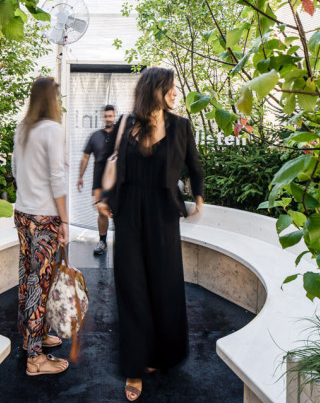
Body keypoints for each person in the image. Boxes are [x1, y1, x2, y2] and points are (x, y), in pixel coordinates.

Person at [94, 67, 204, 401]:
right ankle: (135, 365)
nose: (175, 93)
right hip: (128, 214)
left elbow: (195, 166)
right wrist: (102, 196)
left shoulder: (181, 126)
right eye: (170, 88)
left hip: (163, 216)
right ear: (153, 89)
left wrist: (198, 197)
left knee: (164, 286)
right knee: (132, 288)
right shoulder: (126, 123)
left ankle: (160, 352)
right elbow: (108, 160)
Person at [12, 77, 70, 377]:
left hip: (22, 213)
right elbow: (57, 178)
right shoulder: (53, 129)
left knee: (27, 279)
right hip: (45, 218)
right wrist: (65, 220)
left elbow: (14, 169)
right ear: (51, 99)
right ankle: (35, 359)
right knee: (40, 284)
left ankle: (31, 337)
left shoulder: (22, 128)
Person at [77, 104, 116, 255]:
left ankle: (123, 243)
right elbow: (85, 157)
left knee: (120, 212)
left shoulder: (120, 135)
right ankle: (102, 242)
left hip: (117, 181)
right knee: (101, 212)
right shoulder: (95, 136)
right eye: (106, 116)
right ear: (103, 117)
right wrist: (80, 176)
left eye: (110, 116)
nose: (108, 118)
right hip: (99, 182)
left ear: (114, 116)